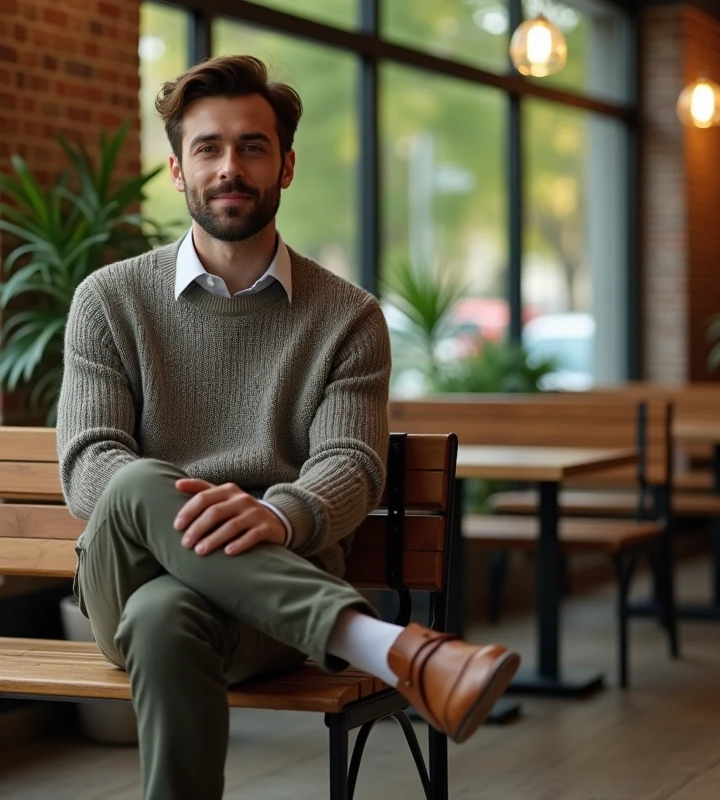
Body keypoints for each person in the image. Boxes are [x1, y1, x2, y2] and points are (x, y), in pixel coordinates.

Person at [57, 54, 519, 800]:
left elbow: (350, 463)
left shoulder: (348, 317)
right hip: (126, 565)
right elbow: (87, 466)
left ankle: (377, 642)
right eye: (207, 148)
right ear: (178, 169)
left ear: (288, 165)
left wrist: (275, 514)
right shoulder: (109, 300)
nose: (229, 167)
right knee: (138, 482)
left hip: (264, 611)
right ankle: (385, 646)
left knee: (165, 617)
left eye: (252, 146)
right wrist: (193, 505)